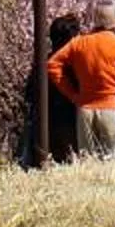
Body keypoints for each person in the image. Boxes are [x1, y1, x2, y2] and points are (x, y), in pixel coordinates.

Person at [47, 1, 115, 160]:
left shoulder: (79, 43)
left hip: (85, 110)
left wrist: (73, 94)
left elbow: (52, 65)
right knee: (114, 164)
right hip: (114, 110)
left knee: (89, 163)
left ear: (94, 18)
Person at [21, 14, 81, 167]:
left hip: (43, 125)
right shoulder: (75, 64)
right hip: (70, 122)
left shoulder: (42, 63)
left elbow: (29, 94)